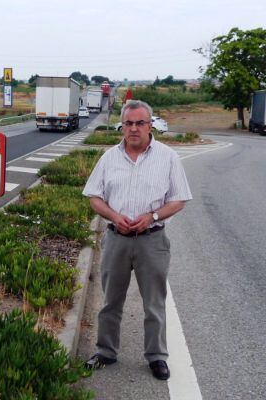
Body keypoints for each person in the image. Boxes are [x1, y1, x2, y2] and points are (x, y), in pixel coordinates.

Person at [82, 99, 192, 380]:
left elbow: (179, 199)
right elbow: (94, 196)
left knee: (154, 303)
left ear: (150, 125)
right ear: (123, 126)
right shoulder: (109, 157)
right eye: (128, 123)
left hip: (152, 241)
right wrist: (114, 216)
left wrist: (152, 217)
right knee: (110, 302)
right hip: (116, 239)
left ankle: (156, 357)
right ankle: (106, 351)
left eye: (140, 123)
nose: (134, 129)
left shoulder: (167, 157)